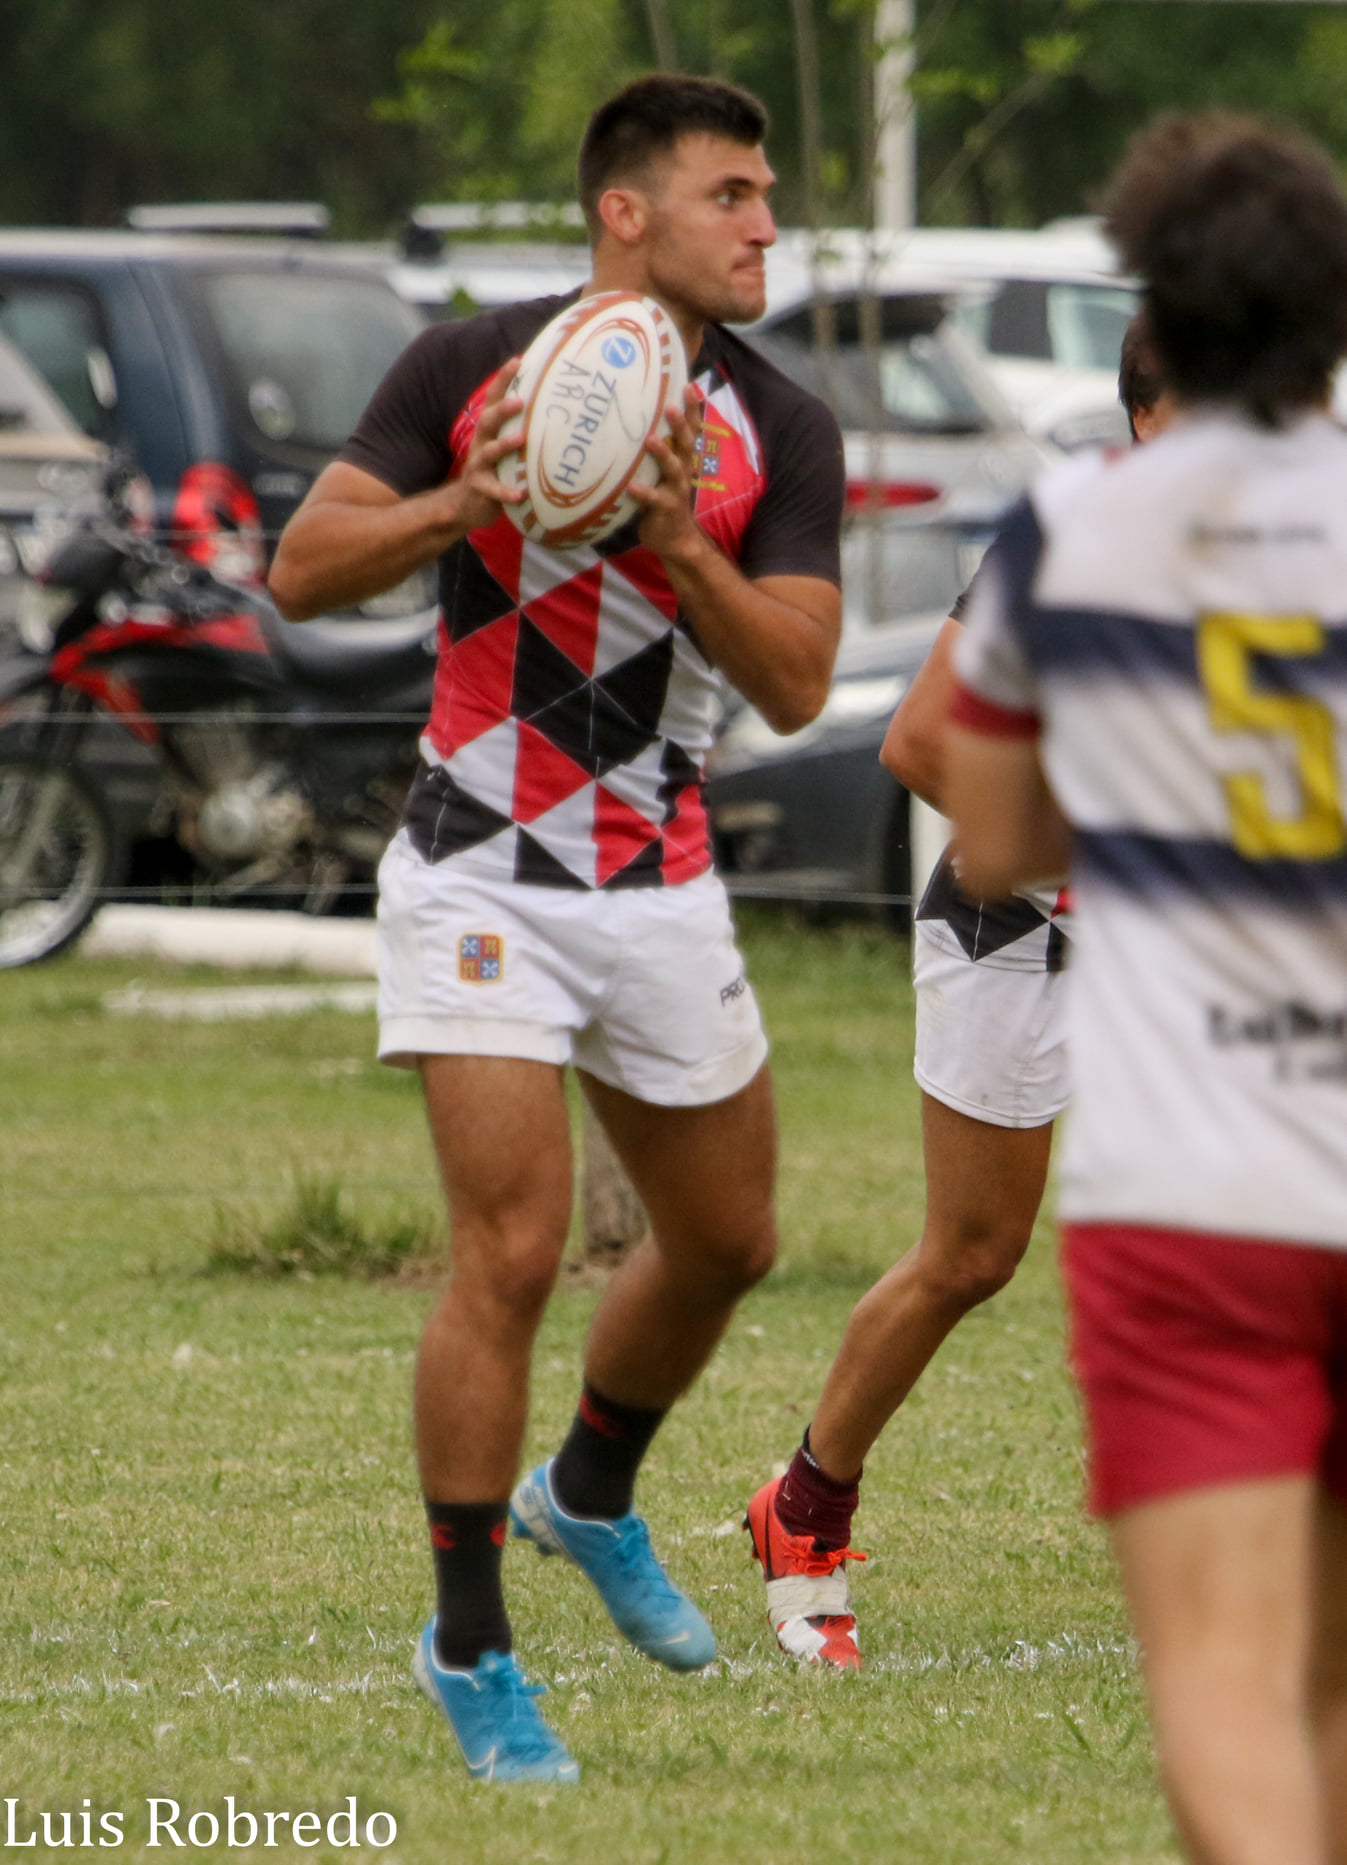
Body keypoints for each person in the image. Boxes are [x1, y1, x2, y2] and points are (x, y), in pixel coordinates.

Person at [268, 75, 844, 1784]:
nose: (763, 224)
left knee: (729, 1240)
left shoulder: (782, 426)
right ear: (626, 212)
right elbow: (302, 573)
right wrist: (470, 500)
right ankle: (468, 1641)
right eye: (731, 194)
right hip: (477, 869)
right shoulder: (471, 367)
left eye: (766, 195)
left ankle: (586, 1493)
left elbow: (802, 681)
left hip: (657, 877)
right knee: (511, 1253)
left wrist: (675, 541)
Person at [944, 112, 1347, 1865]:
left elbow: (997, 837)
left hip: (1197, 1193)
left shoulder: (1070, 531)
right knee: (1322, 1696)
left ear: (1158, 309)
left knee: (1224, 1688)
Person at [744, 313, 1173, 1671]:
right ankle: (802, 1506)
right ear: (1148, 418)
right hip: (1011, 929)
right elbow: (921, 739)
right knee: (971, 1256)